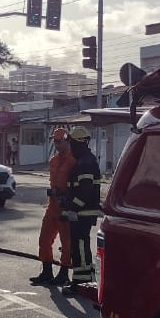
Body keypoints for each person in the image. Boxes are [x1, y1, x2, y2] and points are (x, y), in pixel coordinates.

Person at [29, 127, 74, 287]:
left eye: (59, 141)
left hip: (66, 207)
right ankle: (47, 272)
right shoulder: (54, 160)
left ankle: (64, 273)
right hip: (52, 206)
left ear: (67, 141)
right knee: (44, 239)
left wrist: (66, 196)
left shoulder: (73, 161)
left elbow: (77, 186)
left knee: (66, 242)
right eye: (54, 141)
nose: (56, 144)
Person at [59, 125, 101, 297]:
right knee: (80, 247)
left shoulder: (85, 163)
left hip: (82, 213)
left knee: (80, 248)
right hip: (83, 212)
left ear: (78, 144)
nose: (71, 148)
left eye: (72, 144)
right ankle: (86, 280)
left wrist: (72, 208)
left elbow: (85, 191)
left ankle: (81, 284)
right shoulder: (85, 160)